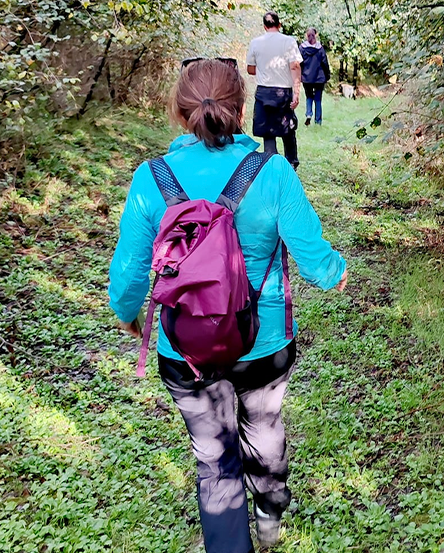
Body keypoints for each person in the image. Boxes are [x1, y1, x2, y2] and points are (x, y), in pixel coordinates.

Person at [108, 58, 348, 553]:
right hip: (264, 339)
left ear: (180, 113)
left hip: (186, 346)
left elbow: (129, 274)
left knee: (214, 457)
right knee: (264, 425)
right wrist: (334, 273)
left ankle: (228, 543)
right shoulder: (272, 170)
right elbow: (309, 251)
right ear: (242, 110)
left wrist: (128, 313)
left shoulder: (151, 178)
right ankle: (269, 514)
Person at [246, 11, 303, 169]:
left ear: (264, 26)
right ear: (279, 25)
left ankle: (272, 164)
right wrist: (296, 93)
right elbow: (295, 66)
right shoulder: (289, 41)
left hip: (264, 91)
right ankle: (291, 164)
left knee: (267, 130)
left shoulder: (255, 42)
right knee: (288, 128)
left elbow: (250, 69)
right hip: (283, 91)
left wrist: (264, 69)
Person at [299, 28, 330, 126]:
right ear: (315, 35)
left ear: (306, 36)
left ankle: (308, 114)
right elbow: (324, 63)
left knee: (309, 96)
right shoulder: (320, 48)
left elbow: (299, 63)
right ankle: (318, 121)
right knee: (318, 99)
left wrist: (300, 75)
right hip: (319, 78)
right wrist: (327, 75)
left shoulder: (302, 48)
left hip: (307, 78)